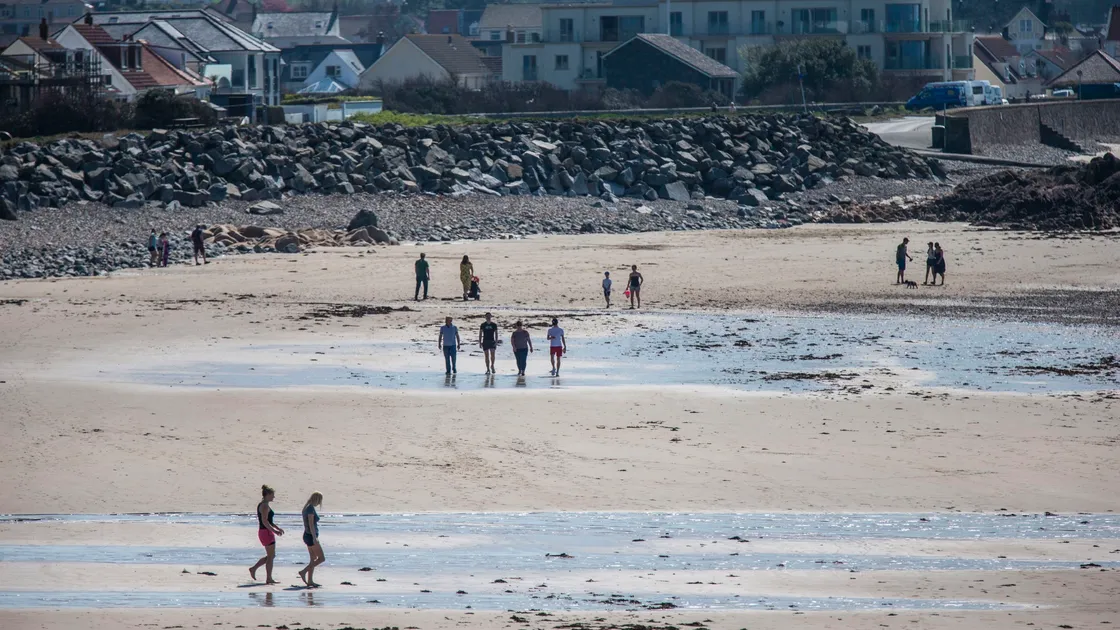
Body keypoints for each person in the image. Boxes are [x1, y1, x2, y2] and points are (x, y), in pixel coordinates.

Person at [249, 485, 284, 585]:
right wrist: (274, 531)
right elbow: (264, 521)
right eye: (272, 495)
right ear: (267, 495)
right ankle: (268, 578)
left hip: (265, 531)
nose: (274, 497)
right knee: (271, 556)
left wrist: (277, 528)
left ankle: (254, 568)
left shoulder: (265, 504)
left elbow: (269, 521)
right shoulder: (264, 506)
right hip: (265, 532)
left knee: (271, 556)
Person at [298, 491, 325, 588]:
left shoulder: (307, 507)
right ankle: (303, 572)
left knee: (313, 559)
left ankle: (310, 581)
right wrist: (314, 538)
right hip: (310, 536)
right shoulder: (310, 508)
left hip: (307, 535)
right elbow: (310, 524)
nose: (320, 503)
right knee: (321, 558)